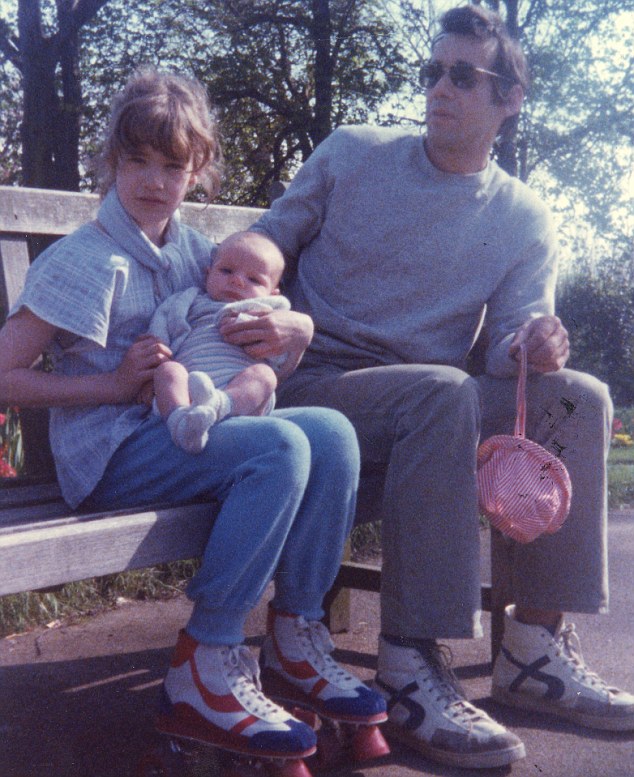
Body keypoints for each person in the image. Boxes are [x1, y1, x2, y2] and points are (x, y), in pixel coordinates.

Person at [219, 4, 634, 770]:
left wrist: (535, 345)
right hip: (315, 384)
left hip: (427, 403)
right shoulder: (352, 154)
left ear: (509, 101)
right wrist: (267, 305)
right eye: (433, 71)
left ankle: (533, 653)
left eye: (464, 76)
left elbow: (510, 344)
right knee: (441, 391)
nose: (440, 87)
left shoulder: (522, 216)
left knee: (577, 396)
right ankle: (409, 664)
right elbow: (266, 241)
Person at [0, 68, 387, 763]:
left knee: (329, 433)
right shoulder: (83, 261)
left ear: (198, 169)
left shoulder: (192, 252)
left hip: (184, 433)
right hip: (113, 455)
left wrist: (294, 330)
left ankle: (297, 638)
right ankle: (204, 663)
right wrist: (117, 384)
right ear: (111, 159)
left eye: (173, 165)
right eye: (137, 160)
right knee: (279, 449)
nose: (154, 180)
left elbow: (247, 315)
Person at [148, 231, 292, 453]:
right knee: (168, 370)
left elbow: (279, 357)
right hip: (186, 394)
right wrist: (153, 365)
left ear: (272, 293)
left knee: (265, 376)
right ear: (208, 274)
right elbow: (161, 328)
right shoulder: (187, 300)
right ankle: (182, 424)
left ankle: (217, 405)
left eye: (253, 279)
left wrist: (247, 324)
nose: (236, 280)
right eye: (226, 271)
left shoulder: (266, 314)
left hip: (242, 398)